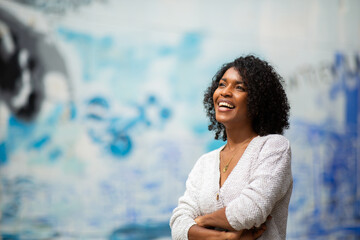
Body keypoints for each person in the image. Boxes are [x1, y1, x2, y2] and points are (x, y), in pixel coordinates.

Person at [170, 55, 292, 240]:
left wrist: (200, 222)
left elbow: (250, 211)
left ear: (258, 102)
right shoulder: (205, 162)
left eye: (239, 87)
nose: (225, 92)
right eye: (221, 84)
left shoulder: (273, 147)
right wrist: (223, 239)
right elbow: (178, 225)